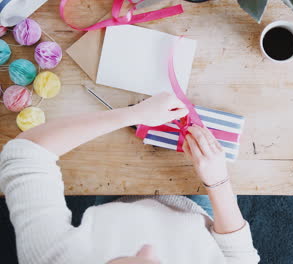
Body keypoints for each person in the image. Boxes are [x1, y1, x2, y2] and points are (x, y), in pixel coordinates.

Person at [0, 92, 260, 264]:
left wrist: (133, 114)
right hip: (199, 216)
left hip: (113, 206)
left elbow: (25, 154)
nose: (148, 247)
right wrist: (218, 181)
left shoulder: (52, 258)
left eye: (127, 258)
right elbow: (240, 255)